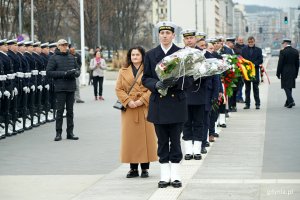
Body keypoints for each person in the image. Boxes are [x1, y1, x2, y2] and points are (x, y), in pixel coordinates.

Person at [142, 21, 193, 188]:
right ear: (159, 35)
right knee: (162, 141)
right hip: (159, 104)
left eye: (168, 33)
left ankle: (176, 176)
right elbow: (146, 78)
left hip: (176, 102)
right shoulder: (150, 54)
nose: (164, 36)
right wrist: (156, 85)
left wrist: (175, 83)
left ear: (173, 35)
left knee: (176, 141)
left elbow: (190, 78)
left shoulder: (182, 53)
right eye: (162, 33)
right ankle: (164, 176)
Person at [115, 46, 158, 178]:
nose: (135, 57)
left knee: (146, 138)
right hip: (129, 109)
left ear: (142, 56)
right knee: (130, 139)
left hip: (145, 107)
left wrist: (142, 100)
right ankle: (133, 168)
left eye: (137, 55)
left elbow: (152, 88)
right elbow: (119, 89)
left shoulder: (149, 71)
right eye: (132, 55)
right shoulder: (123, 71)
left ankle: (145, 168)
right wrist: (128, 101)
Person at [46, 39, 80, 141]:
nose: (66, 47)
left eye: (66, 45)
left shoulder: (71, 57)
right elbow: (49, 72)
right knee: (60, 111)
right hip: (60, 87)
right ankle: (58, 133)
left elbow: (77, 69)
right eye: (63, 45)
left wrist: (76, 73)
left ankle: (70, 133)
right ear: (58, 46)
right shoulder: (53, 58)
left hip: (71, 87)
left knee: (70, 112)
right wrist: (64, 73)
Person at [276, 39, 299, 108]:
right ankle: (288, 102)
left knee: (286, 86)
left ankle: (291, 101)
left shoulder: (283, 52)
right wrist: (296, 73)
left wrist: (278, 73)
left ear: (285, 43)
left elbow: (280, 63)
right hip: (293, 70)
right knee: (290, 86)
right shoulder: (295, 51)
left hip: (285, 71)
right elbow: (297, 64)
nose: (283, 45)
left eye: (283, 44)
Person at [241, 36, 263, 110]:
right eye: (249, 42)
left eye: (252, 42)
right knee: (247, 89)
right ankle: (247, 104)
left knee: (255, 88)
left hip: (255, 72)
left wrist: (254, 64)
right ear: (247, 42)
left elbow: (260, 60)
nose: (250, 43)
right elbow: (242, 60)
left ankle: (257, 104)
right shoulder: (243, 50)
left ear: (254, 42)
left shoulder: (258, 50)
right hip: (246, 72)